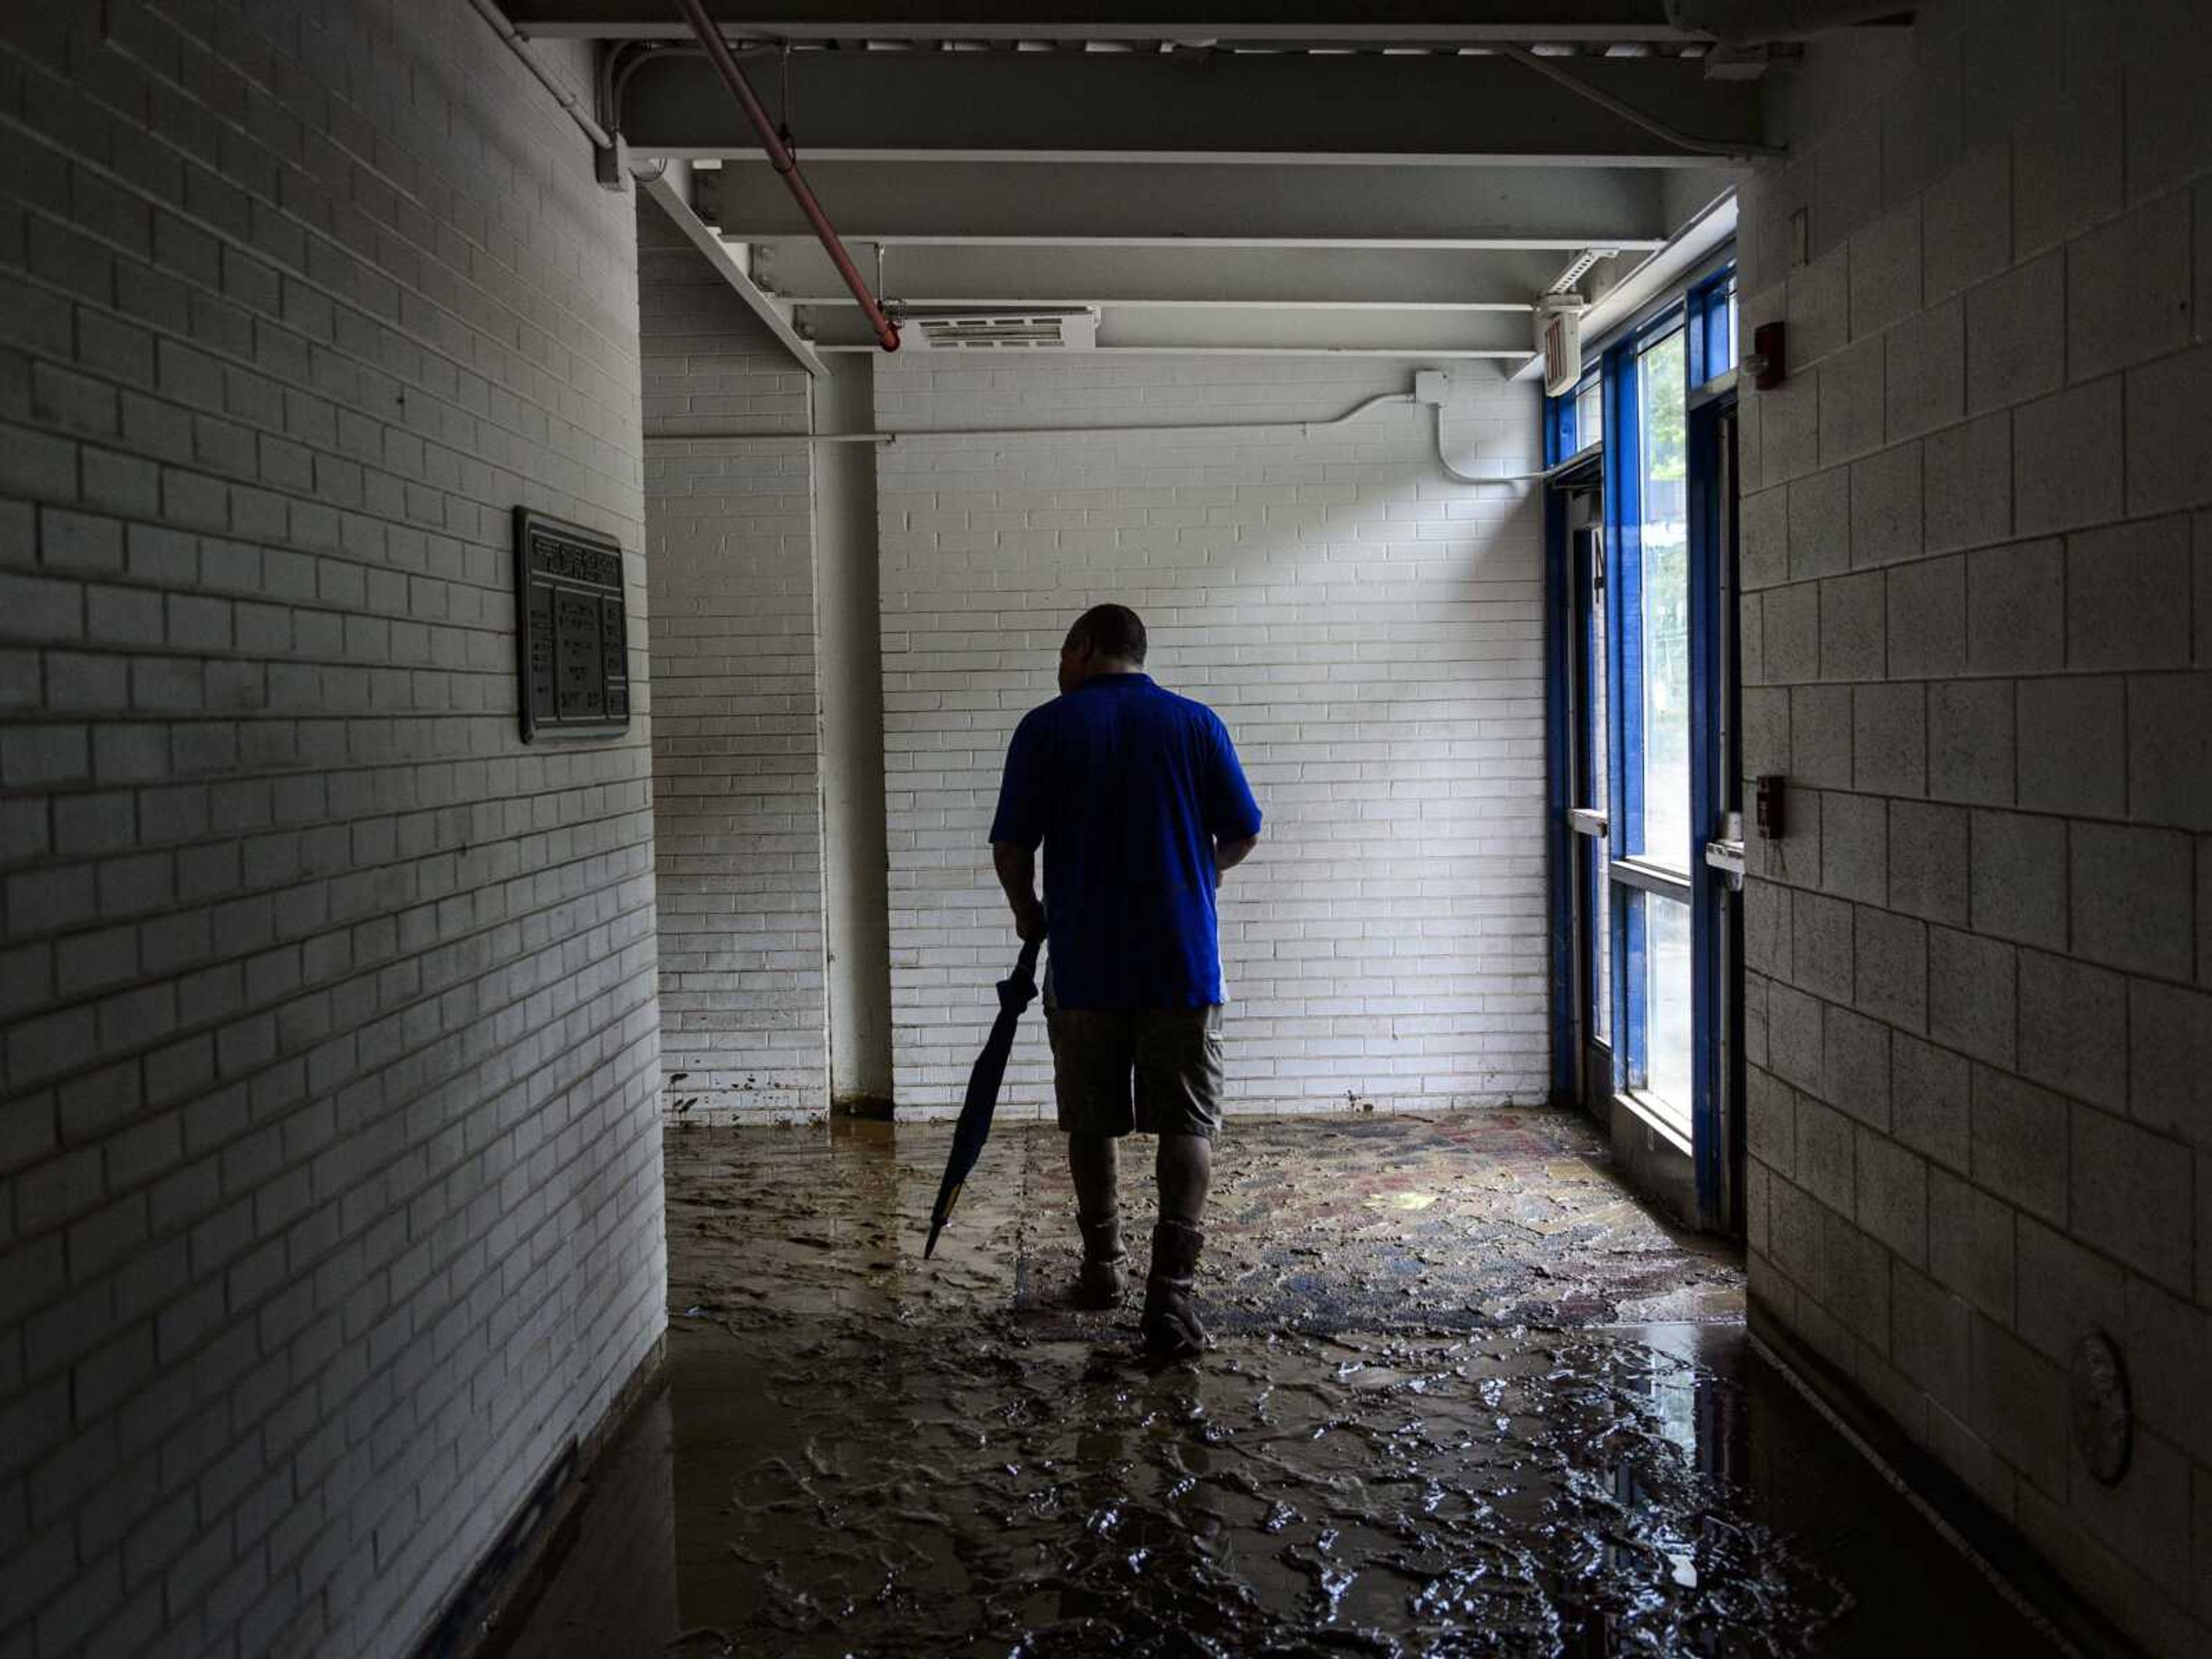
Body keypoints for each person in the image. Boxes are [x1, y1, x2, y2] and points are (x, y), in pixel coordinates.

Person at [988, 604, 1263, 1358]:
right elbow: (1242, 830)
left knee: (1092, 1121)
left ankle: (1102, 1272)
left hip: (1085, 963)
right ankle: (1169, 1301)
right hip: (1182, 960)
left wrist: (1028, 914)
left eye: (1061, 652)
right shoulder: (1196, 724)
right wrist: (1197, 879)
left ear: (1082, 649)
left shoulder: (1046, 727)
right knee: (1187, 1123)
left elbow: (1012, 847)